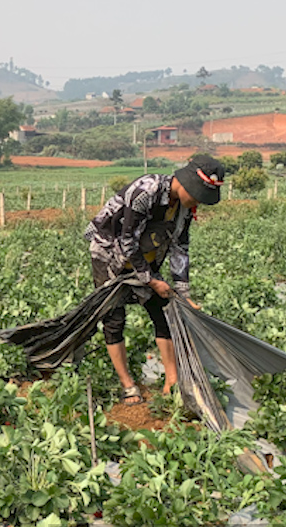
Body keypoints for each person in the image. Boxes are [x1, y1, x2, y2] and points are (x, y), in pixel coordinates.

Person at [83, 154, 224, 404]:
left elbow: (180, 249)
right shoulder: (146, 191)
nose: (197, 203)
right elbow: (127, 241)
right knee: (114, 318)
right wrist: (151, 280)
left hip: (145, 255)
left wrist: (183, 293)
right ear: (185, 182)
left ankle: (172, 380)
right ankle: (128, 384)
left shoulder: (184, 209)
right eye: (197, 195)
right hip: (109, 252)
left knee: (163, 309)